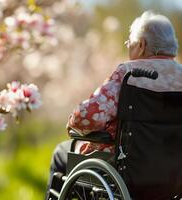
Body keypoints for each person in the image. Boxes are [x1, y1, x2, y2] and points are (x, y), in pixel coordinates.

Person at [46, 10, 182, 199]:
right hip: (174, 175)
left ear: (141, 45)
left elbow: (87, 117)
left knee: (61, 151)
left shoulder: (130, 74)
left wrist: (73, 120)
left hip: (126, 168)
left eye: (129, 43)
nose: (128, 47)